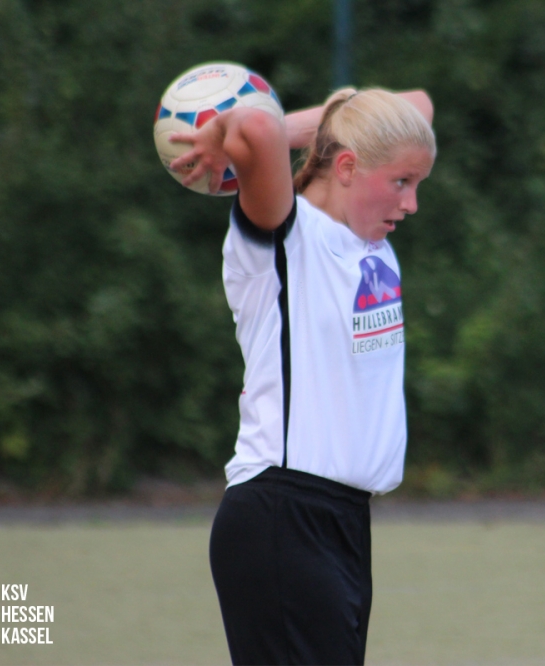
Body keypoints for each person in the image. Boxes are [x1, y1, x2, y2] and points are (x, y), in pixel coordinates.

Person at [169, 85, 435, 665]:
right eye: (400, 182)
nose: (412, 203)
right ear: (347, 167)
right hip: (282, 517)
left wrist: (339, 126)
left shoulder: (364, 235)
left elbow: (417, 104)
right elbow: (256, 130)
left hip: (342, 523)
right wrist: (224, 135)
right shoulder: (286, 235)